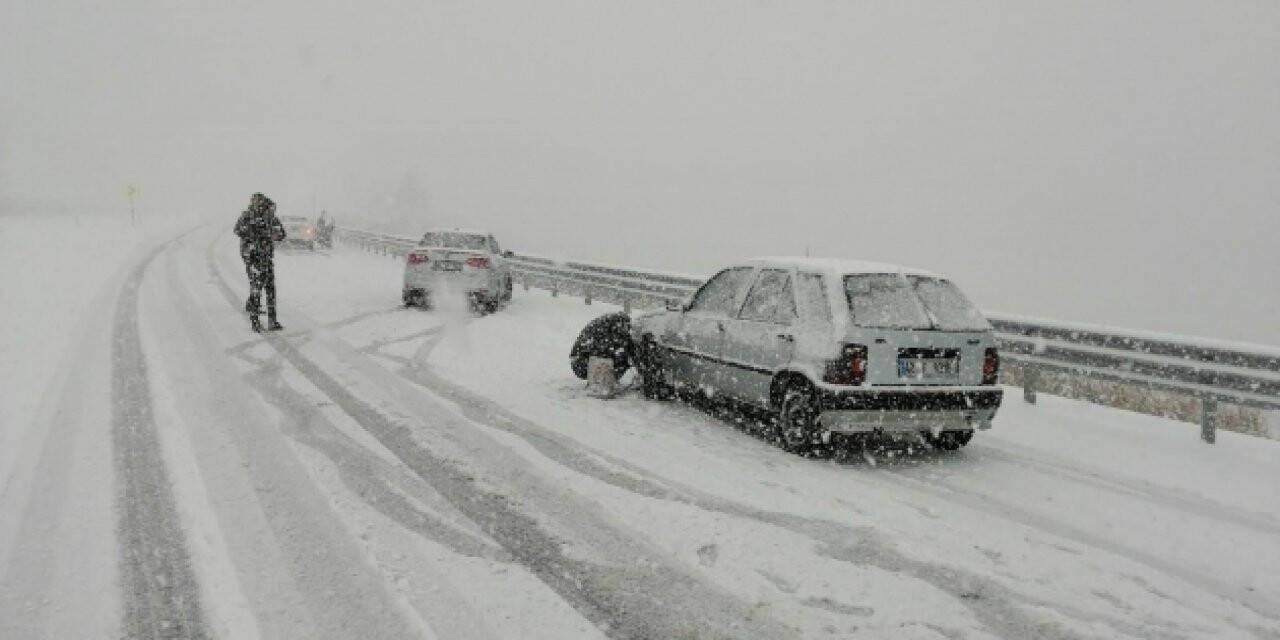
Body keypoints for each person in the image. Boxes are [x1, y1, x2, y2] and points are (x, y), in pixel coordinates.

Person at [234, 193, 286, 332]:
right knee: (256, 287)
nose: (269, 211)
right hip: (252, 257)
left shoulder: (271, 218)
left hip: (267, 257)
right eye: (265, 207)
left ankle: (272, 321)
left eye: (270, 208)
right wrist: (253, 234)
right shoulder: (248, 216)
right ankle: (255, 321)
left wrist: (274, 234)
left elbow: (282, 234)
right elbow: (237, 229)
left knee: (270, 288)